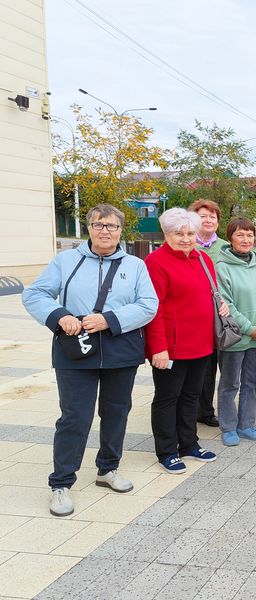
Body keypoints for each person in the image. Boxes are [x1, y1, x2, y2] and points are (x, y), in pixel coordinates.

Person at [22, 204, 158, 516]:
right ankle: (61, 482)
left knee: (116, 412)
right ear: (89, 228)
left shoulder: (135, 265)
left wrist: (108, 319)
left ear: (121, 230)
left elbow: (149, 304)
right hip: (75, 351)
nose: (105, 230)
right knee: (74, 417)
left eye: (111, 225)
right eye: (98, 225)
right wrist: (60, 315)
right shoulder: (65, 261)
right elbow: (35, 295)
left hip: (120, 350)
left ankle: (107, 469)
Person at [145, 208, 222, 473]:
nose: (186, 238)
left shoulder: (202, 259)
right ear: (167, 234)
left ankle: (188, 444)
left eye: (191, 233)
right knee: (168, 398)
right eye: (179, 233)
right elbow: (154, 309)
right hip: (171, 347)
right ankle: (167, 450)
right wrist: (158, 348)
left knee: (191, 396)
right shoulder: (156, 262)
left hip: (201, 343)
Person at [215, 217, 256, 446]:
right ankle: (228, 427)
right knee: (230, 384)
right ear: (230, 237)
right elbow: (226, 306)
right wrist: (251, 330)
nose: (245, 239)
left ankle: (246, 424)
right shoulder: (222, 267)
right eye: (240, 235)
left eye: (250, 235)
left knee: (251, 383)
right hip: (236, 337)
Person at [188, 198, 225, 428]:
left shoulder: (225, 246)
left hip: (220, 314)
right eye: (203, 216)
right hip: (195, 314)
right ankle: (190, 410)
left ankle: (206, 410)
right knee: (197, 366)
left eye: (213, 216)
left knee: (213, 365)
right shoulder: (187, 245)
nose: (209, 220)